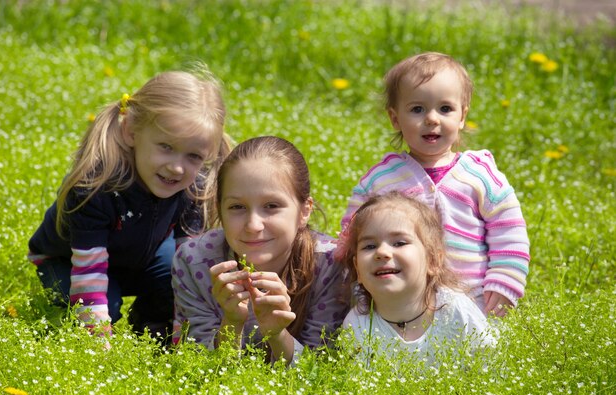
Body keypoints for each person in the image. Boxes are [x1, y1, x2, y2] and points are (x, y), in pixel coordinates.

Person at [28, 69, 231, 339]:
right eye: (166, 147)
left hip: (141, 257)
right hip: (70, 260)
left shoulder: (194, 186)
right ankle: (77, 317)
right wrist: (98, 341)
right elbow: (89, 271)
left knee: (176, 272)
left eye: (193, 156)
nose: (177, 168)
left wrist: (187, 339)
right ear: (130, 131)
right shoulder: (96, 185)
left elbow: (190, 270)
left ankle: (151, 326)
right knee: (103, 305)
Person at [341, 52, 530, 317]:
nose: (432, 118)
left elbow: (508, 231)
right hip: (400, 303)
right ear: (395, 119)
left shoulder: (481, 174)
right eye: (417, 109)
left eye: (445, 109)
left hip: (473, 298)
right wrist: (352, 277)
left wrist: (505, 279)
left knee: (475, 355)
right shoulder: (381, 179)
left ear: (462, 116)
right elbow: (352, 234)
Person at [172, 136, 349, 363]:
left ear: (304, 211)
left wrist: (277, 334)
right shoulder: (195, 262)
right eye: (237, 207)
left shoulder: (329, 265)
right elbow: (200, 366)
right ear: (220, 210)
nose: (253, 225)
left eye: (271, 206)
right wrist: (232, 321)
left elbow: (318, 370)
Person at [338, 191, 496, 361]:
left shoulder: (458, 311)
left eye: (399, 243)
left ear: (433, 260)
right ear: (357, 269)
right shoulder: (357, 325)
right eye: (369, 246)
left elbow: (491, 370)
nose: (382, 252)